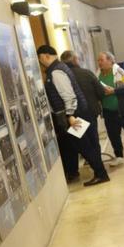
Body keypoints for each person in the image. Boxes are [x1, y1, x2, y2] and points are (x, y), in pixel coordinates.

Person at [37, 45, 109, 186]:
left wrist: (70, 115)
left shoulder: (56, 72)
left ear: (45, 56)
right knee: (89, 145)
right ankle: (100, 173)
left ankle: (101, 174)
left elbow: (68, 96)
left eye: (40, 58)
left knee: (84, 145)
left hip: (76, 116)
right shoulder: (61, 68)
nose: (40, 62)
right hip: (80, 113)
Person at [60, 50, 106, 169]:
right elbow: (101, 92)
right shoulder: (86, 73)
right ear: (75, 60)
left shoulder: (62, 77)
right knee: (93, 140)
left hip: (74, 116)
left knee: (82, 143)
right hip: (90, 112)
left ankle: (94, 166)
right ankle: (99, 168)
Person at [97, 51, 124, 165]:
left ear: (110, 60)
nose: (99, 63)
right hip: (108, 112)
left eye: (102, 60)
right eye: (98, 60)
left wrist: (114, 91)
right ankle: (119, 156)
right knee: (113, 136)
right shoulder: (98, 74)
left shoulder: (119, 71)